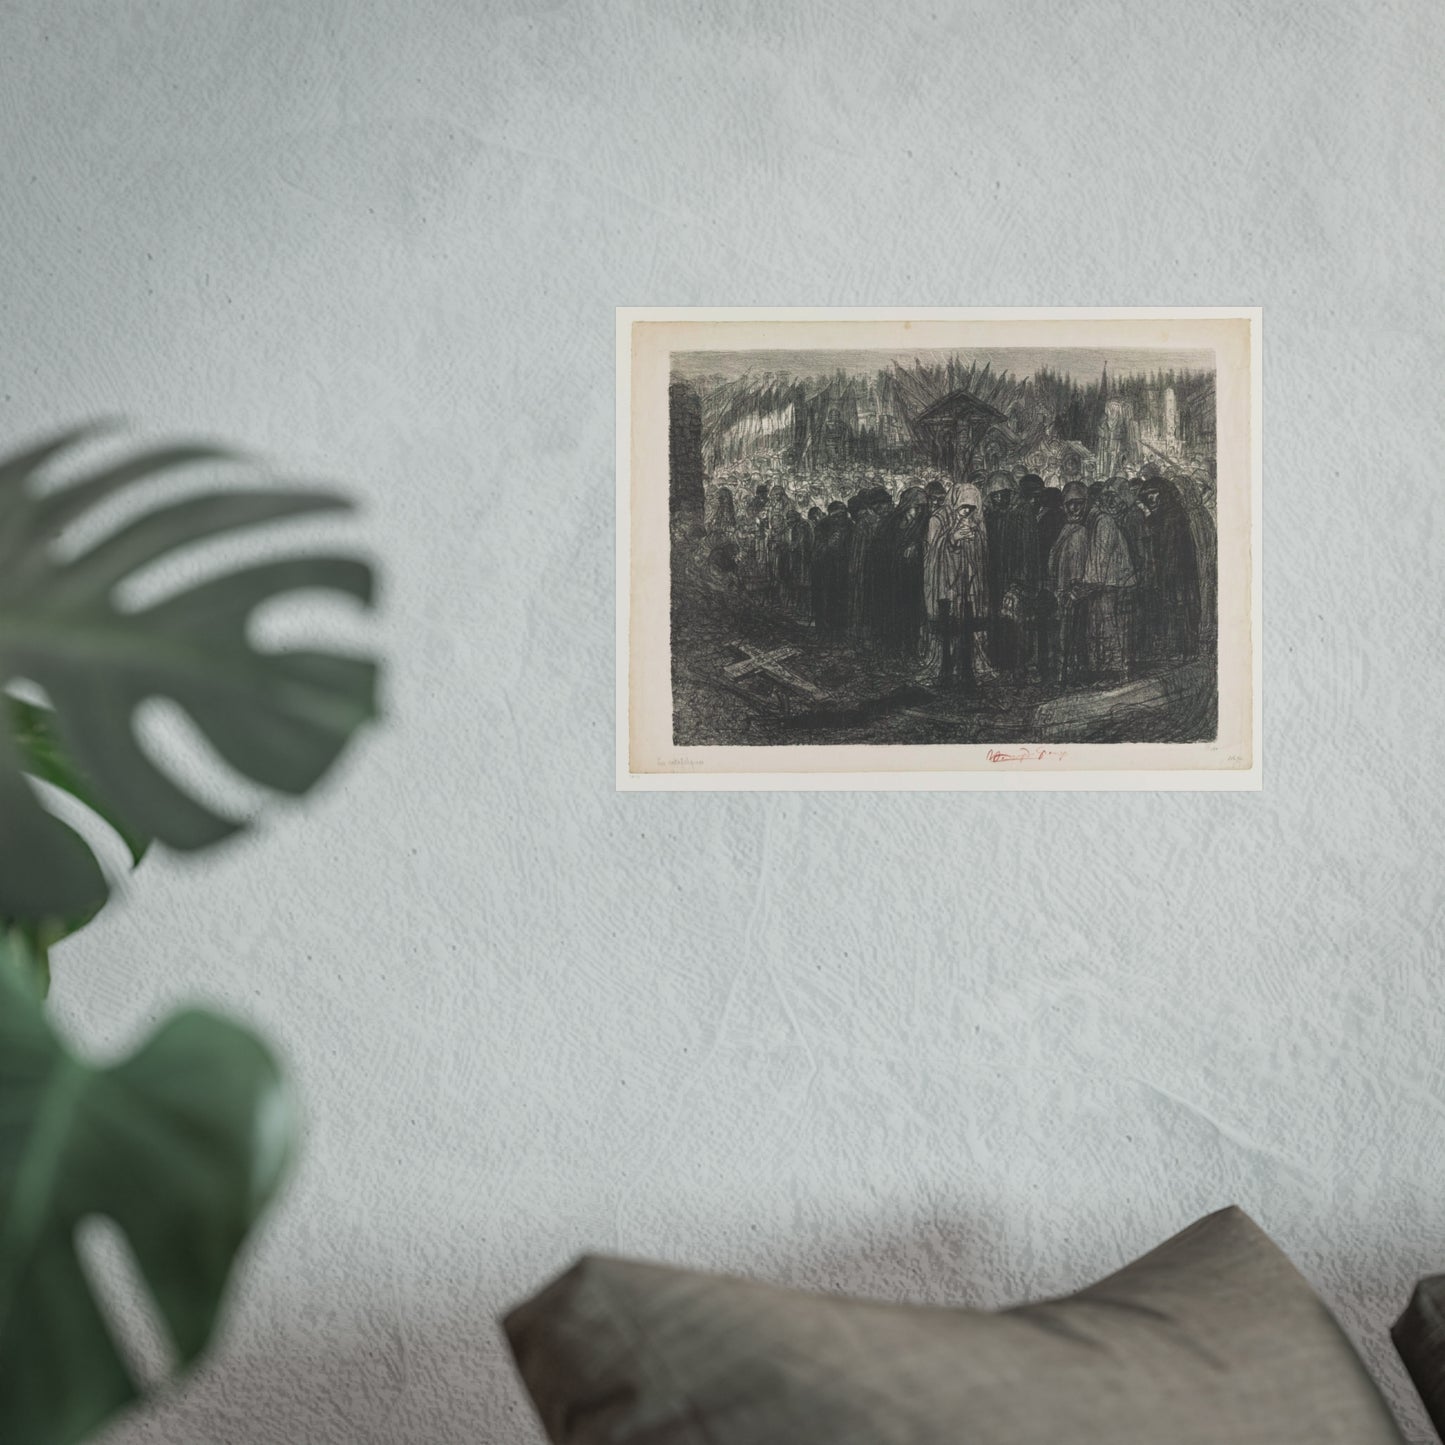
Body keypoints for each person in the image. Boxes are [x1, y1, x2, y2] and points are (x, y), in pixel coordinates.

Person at [1139, 476, 1200, 662]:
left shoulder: (1174, 518)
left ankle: (1186, 650)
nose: (1152, 499)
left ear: (1164, 494)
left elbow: (1174, 551)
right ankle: (1176, 649)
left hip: (1179, 574)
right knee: (1171, 610)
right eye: (1148, 495)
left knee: (1180, 609)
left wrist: (1165, 574)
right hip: (1165, 572)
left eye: (1155, 493)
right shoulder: (1154, 520)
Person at [1084, 487, 1137, 678]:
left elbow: (1103, 555)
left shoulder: (1104, 521)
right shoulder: (1099, 520)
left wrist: (1094, 582)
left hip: (1113, 582)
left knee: (1111, 625)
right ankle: (1114, 668)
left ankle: (1115, 669)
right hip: (1112, 581)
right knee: (1110, 624)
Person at [876, 485, 930, 659]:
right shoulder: (891, 524)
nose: (920, 511)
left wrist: (918, 547)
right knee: (894, 614)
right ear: (907, 505)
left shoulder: (925, 525)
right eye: (917, 507)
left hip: (915, 578)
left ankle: (910, 649)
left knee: (913, 615)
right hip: (893, 577)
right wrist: (900, 552)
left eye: (923, 507)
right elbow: (882, 551)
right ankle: (893, 649)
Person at [1049, 482, 1092, 682]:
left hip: (1075, 592)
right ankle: (1063, 673)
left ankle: (1073, 673)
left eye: (1078, 503)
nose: (1074, 508)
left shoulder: (1082, 532)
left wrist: (1074, 589)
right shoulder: (1067, 529)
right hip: (1062, 589)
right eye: (1070, 504)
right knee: (1064, 633)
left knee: (1075, 632)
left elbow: (1080, 565)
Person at [811, 500, 852, 637]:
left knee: (842, 601)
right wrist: (829, 545)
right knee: (825, 601)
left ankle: (840, 632)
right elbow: (817, 551)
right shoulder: (822, 527)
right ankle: (824, 631)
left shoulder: (850, 526)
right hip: (825, 571)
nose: (840, 519)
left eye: (842, 515)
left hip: (844, 570)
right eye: (836, 516)